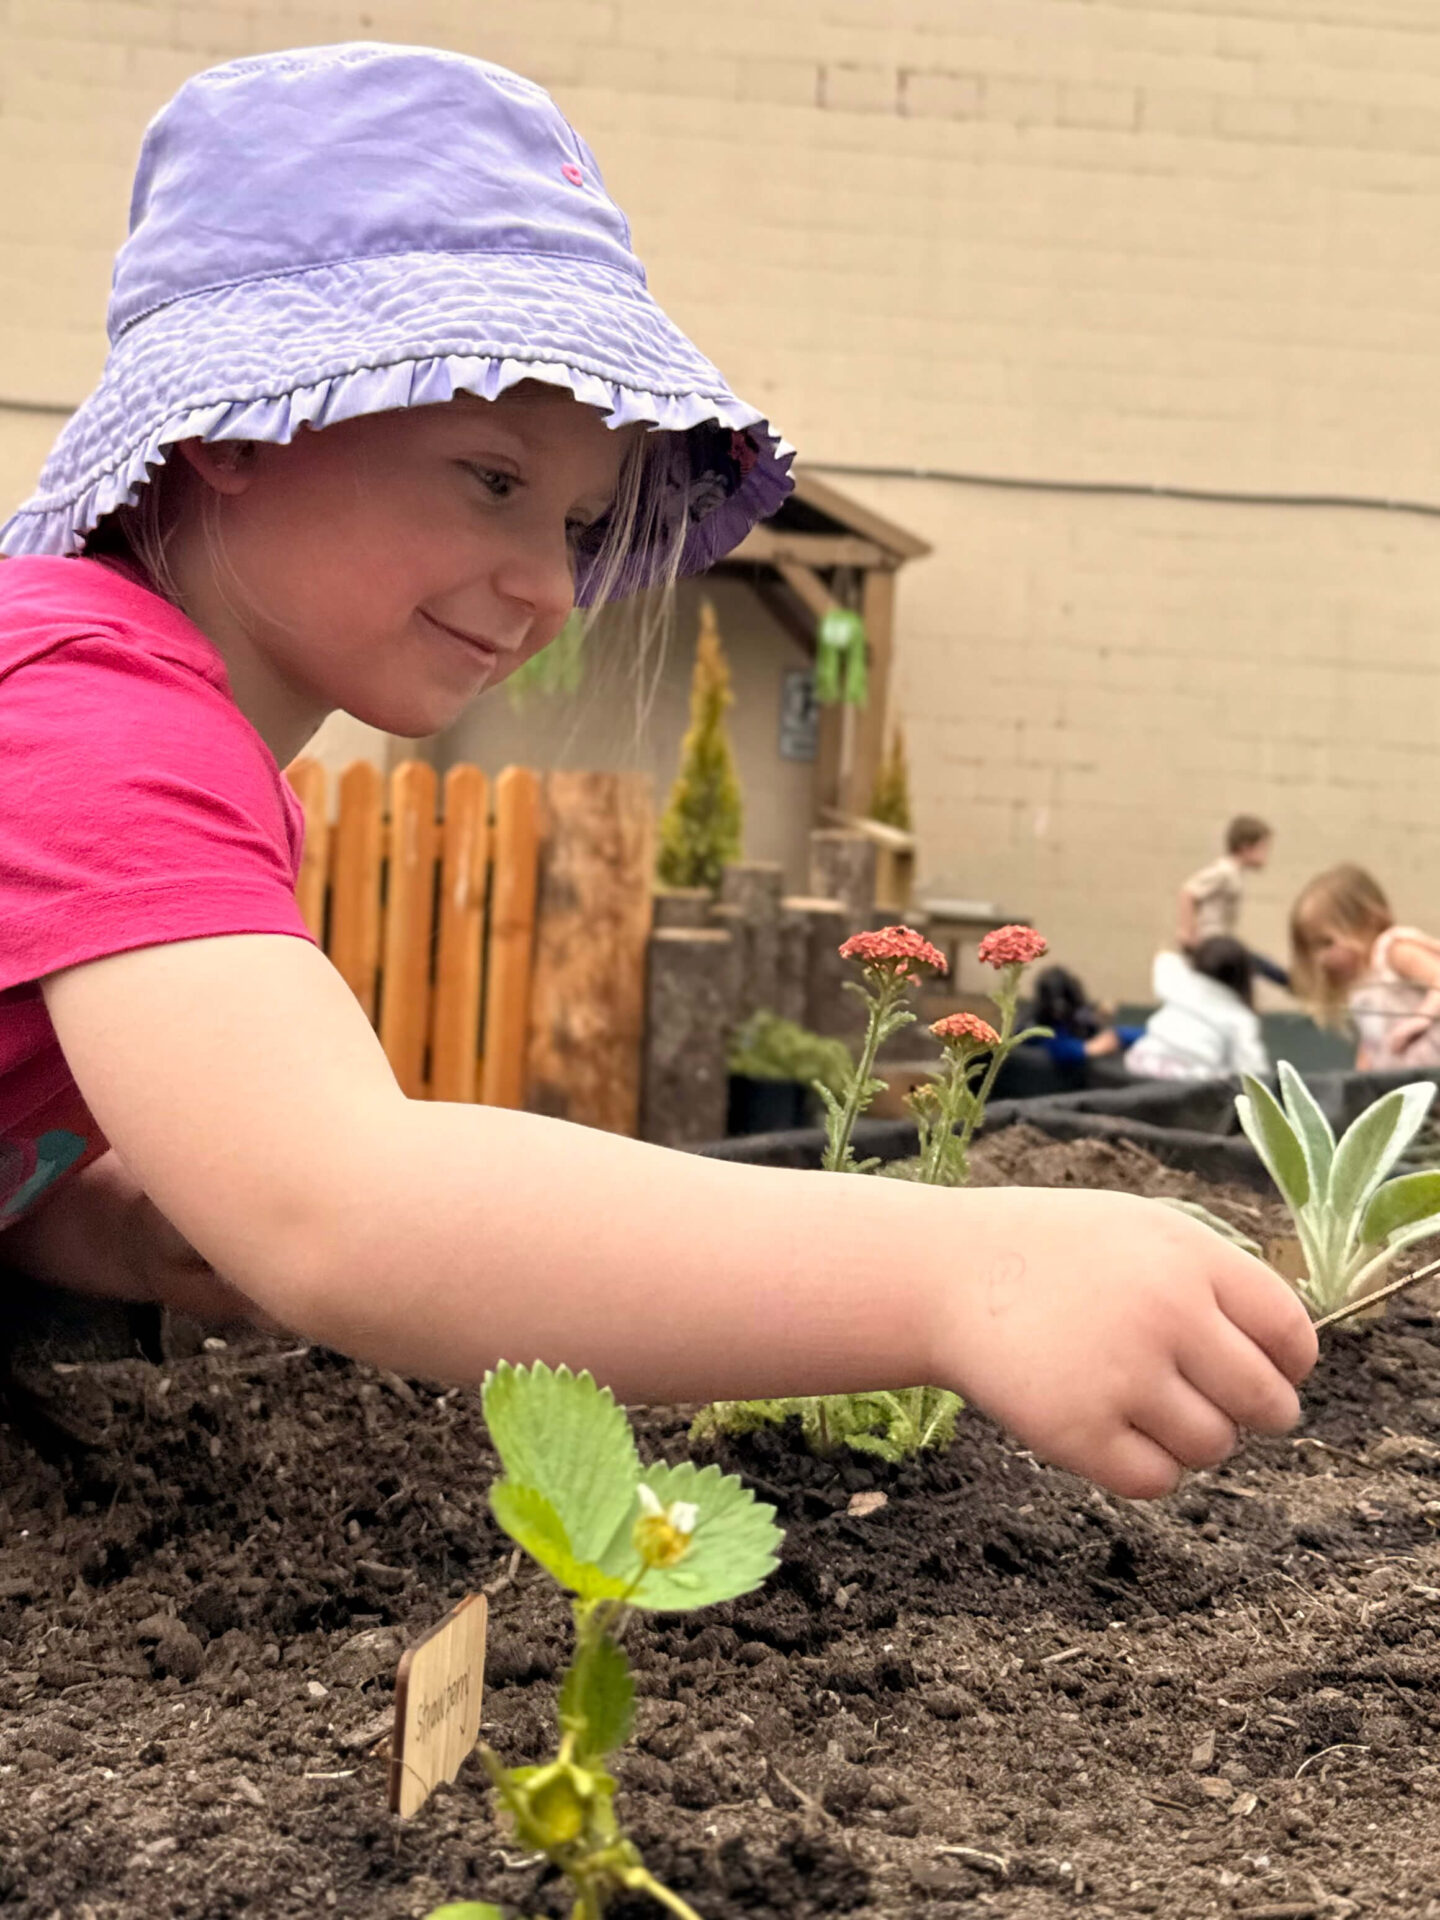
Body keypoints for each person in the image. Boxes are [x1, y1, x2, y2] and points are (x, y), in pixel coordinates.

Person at [0, 44, 1314, 1503]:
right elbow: (336, 1208)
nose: (551, 586)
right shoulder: (94, 712)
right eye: (493, 479)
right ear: (237, 426)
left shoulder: (124, 725)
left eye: (576, 524)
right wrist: (968, 1272)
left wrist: (121, 1221)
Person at [1290, 866, 1440, 1071]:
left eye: (1327, 943)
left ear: (1367, 922)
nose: (1321, 959)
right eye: (1314, 949)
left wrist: (1421, 1019)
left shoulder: (1393, 951)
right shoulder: (1361, 984)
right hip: (1402, 1076)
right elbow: (1371, 1042)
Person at [1125, 939, 1271, 1082]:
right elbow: (1253, 1071)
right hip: (1188, 1080)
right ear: (1244, 978)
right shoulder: (1240, 1017)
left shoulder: (1179, 984)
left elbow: (1165, 959)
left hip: (1140, 1062)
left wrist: (1186, 943)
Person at [1178, 815, 1287, 987]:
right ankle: (1297, 985)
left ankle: (1292, 983)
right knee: (1259, 966)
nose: (1266, 855)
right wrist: (1187, 932)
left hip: (1220, 941)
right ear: (1245, 848)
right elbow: (1188, 891)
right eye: (1263, 848)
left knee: (1250, 969)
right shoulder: (1225, 871)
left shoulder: (1235, 873)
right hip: (1209, 942)